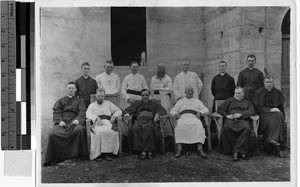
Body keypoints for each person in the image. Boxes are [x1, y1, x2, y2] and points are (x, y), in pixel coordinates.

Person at [43, 82, 88, 166]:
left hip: (74, 121)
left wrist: (78, 119)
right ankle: (57, 156)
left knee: (80, 130)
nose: (71, 90)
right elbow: (56, 112)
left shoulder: (80, 101)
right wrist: (60, 121)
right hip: (63, 121)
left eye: (72, 88)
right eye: (69, 88)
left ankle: (76, 155)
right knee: (53, 133)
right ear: (66, 89)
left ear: (75, 90)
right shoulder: (60, 100)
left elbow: (82, 112)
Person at [123, 89, 167, 160]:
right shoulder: (137, 104)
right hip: (139, 120)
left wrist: (158, 114)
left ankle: (148, 151)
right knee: (135, 128)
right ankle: (142, 151)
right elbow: (127, 110)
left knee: (149, 127)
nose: (145, 97)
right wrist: (127, 113)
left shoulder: (154, 104)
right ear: (141, 96)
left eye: (146, 95)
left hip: (150, 120)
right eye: (143, 95)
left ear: (149, 95)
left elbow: (163, 110)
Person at [170, 86, 209, 159]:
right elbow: (173, 110)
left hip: (194, 117)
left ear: (194, 92)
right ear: (185, 92)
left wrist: (200, 112)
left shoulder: (198, 101)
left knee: (198, 125)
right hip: (183, 117)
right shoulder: (180, 101)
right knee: (180, 125)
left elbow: (206, 109)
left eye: (192, 91)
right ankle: (179, 148)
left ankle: (200, 148)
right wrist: (175, 113)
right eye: (188, 91)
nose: (190, 92)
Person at [217, 87, 255, 161]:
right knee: (226, 128)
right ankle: (232, 150)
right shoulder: (229, 101)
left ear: (243, 94)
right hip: (231, 119)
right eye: (235, 93)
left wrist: (241, 114)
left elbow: (252, 111)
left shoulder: (247, 102)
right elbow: (220, 109)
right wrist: (226, 115)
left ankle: (237, 151)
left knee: (246, 128)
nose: (237, 95)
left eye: (239, 93)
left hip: (242, 119)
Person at [252, 75, 285, 158]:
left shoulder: (277, 92)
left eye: (270, 82)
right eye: (267, 82)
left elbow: (281, 107)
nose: (269, 84)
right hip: (263, 115)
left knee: (278, 116)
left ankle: (273, 142)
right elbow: (257, 108)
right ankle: (276, 147)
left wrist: (282, 117)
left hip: (276, 114)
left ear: (273, 82)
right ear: (264, 82)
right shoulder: (258, 92)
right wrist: (270, 110)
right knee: (274, 119)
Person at [86, 88, 122, 161]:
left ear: (104, 96)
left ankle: (107, 153)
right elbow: (88, 114)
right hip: (97, 123)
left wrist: (114, 116)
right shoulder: (92, 105)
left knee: (111, 132)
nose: (100, 98)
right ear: (95, 96)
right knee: (99, 132)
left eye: (102, 96)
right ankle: (97, 154)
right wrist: (96, 118)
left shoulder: (108, 103)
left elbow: (119, 110)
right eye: (99, 96)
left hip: (107, 122)